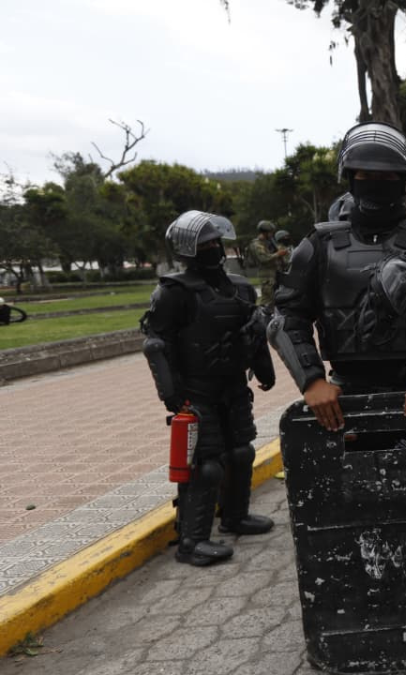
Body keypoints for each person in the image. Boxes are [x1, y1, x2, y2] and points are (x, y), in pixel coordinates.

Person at [269, 121, 406, 431]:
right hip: (344, 397)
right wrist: (312, 381)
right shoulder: (319, 245)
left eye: (386, 176)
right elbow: (286, 318)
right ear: (350, 178)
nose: (375, 182)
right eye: (365, 175)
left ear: (402, 180)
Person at [140, 210, 277, 566]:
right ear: (189, 250)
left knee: (241, 453)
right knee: (206, 465)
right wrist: (171, 395)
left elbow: (255, 335)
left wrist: (265, 370)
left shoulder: (240, 287)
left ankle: (235, 516)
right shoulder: (173, 292)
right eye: (206, 244)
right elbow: (157, 345)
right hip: (196, 392)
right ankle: (192, 541)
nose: (214, 248)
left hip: (233, 386)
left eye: (217, 242)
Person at [245, 220, 289, 310]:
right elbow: (263, 259)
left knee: (274, 301)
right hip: (267, 277)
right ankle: (261, 318)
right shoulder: (256, 244)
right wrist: (278, 254)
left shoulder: (268, 243)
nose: (272, 234)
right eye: (270, 232)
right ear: (265, 232)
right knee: (267, 302)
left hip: (274, 275)